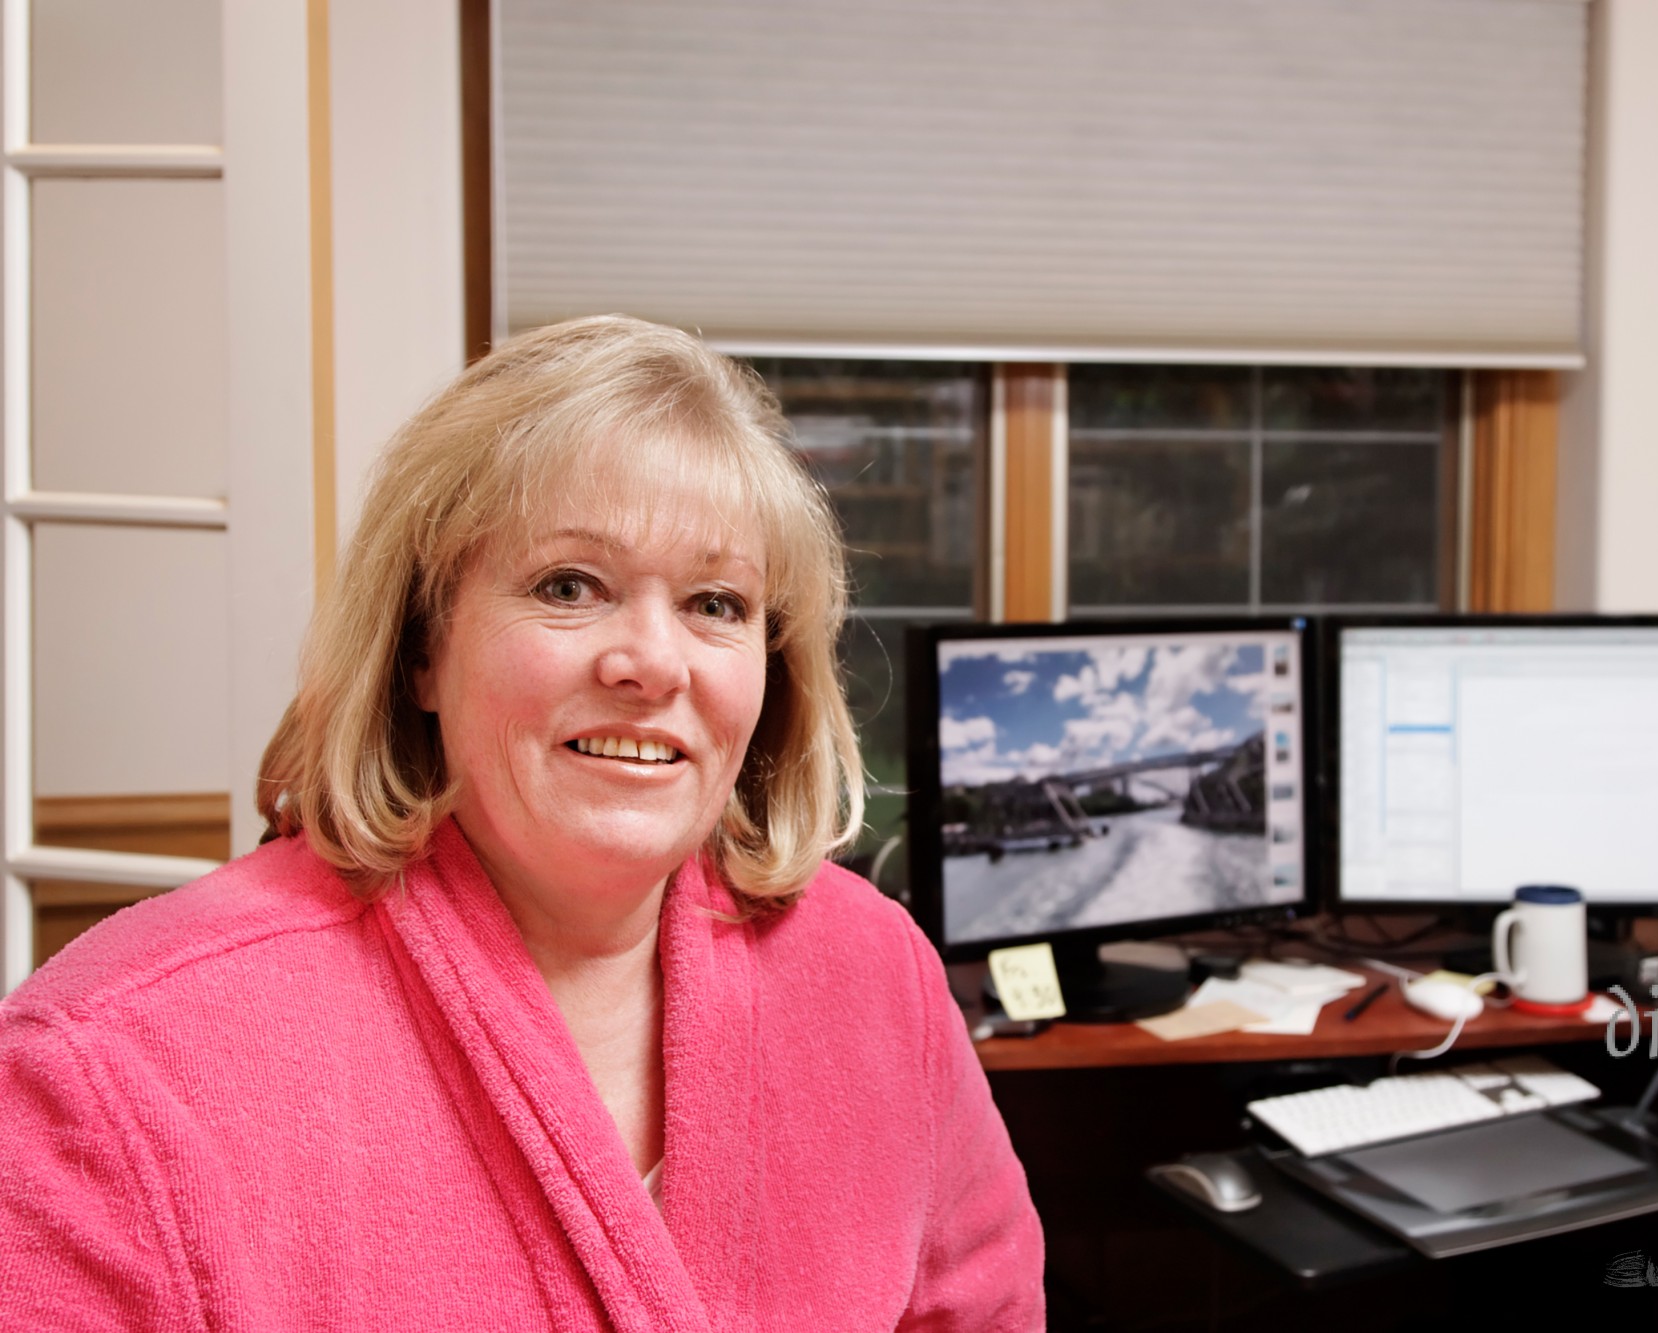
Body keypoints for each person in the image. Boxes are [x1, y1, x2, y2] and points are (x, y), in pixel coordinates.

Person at [0, 316, 1045, 1330]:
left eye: (715, 603)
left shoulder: (872, 973)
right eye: (568, 585)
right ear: (420, 650)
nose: (652, 661)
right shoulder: (111, 1060)